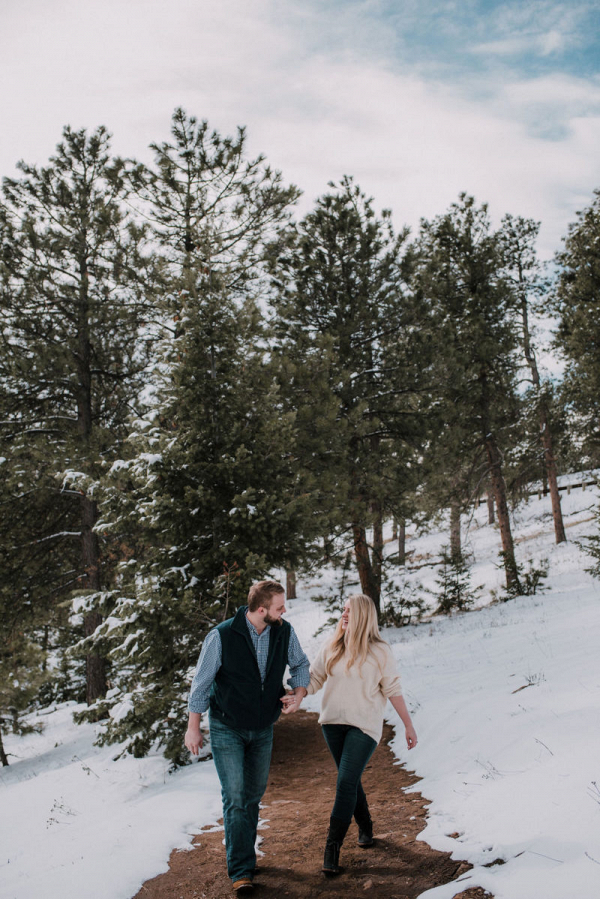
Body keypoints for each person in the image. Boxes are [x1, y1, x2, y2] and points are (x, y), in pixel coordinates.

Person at [185, 580, 309, 894]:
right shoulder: (222, 636)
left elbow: (301, 664)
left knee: (253, 795)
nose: (285, 611)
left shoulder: (283, 631)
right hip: (228, 727)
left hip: (264, 728)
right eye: (280, 607)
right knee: (236, 796)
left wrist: (299, 693)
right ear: (261, 609)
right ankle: (241, 870)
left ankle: (246, 859)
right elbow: (201, 685)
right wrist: (193, 726)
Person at [282, 592, 417, 876]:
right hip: (332, 724)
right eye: (343, 610)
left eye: (349, 611)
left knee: (344, 783)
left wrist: (408, 724)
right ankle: (365, 826)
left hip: (364, 727)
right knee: (350, 781)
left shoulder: (380, 651)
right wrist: (297, 696)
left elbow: (392, 689)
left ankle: (332, 847)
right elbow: (315, 678)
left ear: (363, 616)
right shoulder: (333, 645)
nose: (344, 615)